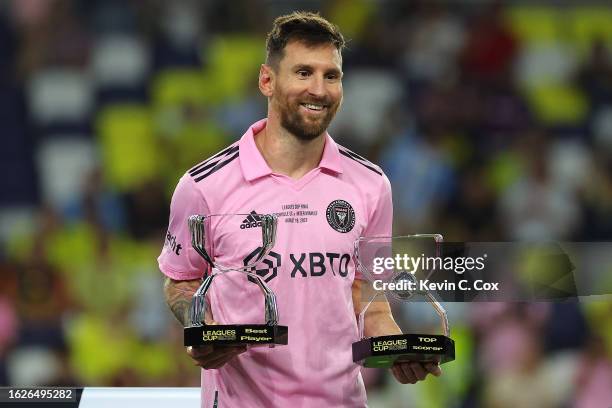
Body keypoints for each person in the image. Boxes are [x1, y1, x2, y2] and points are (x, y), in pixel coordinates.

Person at [158, 11, 441, 407]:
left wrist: (394, 346)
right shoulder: (203, 187)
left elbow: (367, 292)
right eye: (303, 73)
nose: (319, 90)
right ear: (267, 81)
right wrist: (198, 325)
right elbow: (181, 279)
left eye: (331, 75)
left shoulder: (371, 185)